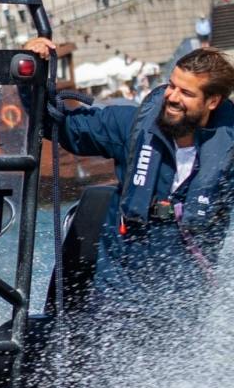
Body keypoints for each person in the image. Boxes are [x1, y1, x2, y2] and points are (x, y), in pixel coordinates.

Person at [23, 38, 233, 326]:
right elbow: (60, 126)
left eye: (186, 92)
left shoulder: (227, 154)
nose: (171, 97)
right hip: (118, 297)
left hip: (183, 303)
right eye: (171, 85)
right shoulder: (131, 126)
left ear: (212, 101)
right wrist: (33, 75)